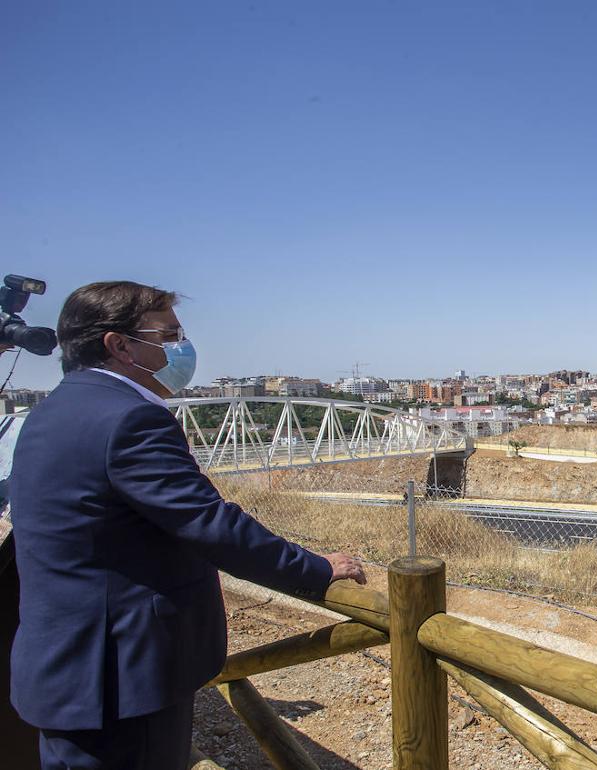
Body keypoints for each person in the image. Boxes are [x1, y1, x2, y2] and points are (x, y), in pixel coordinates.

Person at [8, 281, 367, 770]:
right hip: (120, 678)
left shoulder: (51, 412)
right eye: (169, 333)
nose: (181, 346)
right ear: (119, 344)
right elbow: (211, 524)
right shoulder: (130, 419)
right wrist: (315, 569)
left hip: (68, 669)